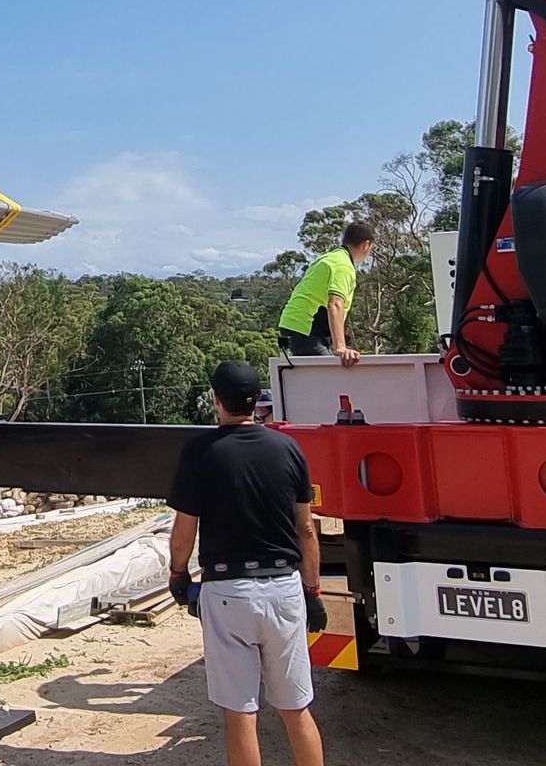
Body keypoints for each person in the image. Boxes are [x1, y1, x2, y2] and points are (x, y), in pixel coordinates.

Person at [168, 360, 326, 766]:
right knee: (296, 709)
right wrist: (313, 591)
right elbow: (306, 529)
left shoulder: (200, 452)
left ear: (217, 401)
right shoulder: (288, 449)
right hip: (284, 588)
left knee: (241, 714)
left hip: (227, 594)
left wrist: (178, 574)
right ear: (257, 401)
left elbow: (185, 528)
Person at [276, 222, 373, 365]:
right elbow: (335, 303)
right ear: (366, 244)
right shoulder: (343, 265)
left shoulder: (331, 257)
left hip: (296, 325)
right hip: (307, 329)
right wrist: (340, 347)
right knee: (330, 379)